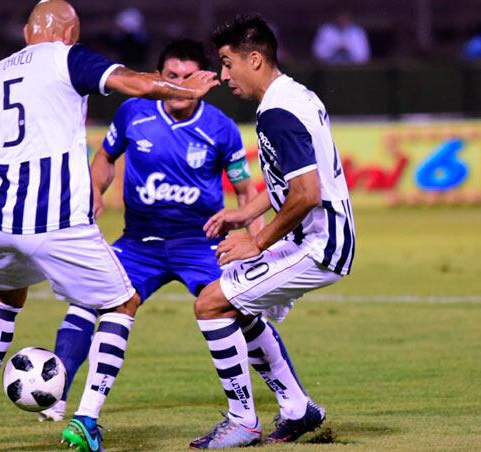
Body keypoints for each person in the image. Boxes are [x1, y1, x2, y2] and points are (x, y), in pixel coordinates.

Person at [0, 1, 218, 451]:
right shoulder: (67, 58)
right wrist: (183, 89)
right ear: (71, 32)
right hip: (54, 220)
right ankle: (86, 419)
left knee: (7, 297)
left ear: (26, 32)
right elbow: (130, 83)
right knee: (122, 302)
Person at [39, 39, 317, 434]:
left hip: (200, 242)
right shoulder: (133, 112)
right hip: (139, 242)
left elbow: (243, 191)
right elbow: (104, 158)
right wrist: (95, 192)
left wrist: (258, 247)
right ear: (159, 77)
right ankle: (55, 388)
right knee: (88, 297)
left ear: (204, 79)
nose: (180, 85)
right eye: (171, 77)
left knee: (241, 306)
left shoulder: (220, 127)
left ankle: (295, 401)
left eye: (189, 77)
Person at [188, 14, 356, 448]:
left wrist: (256, 240)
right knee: (236, 307)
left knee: (210, 305)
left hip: (321, 244)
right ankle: (299, 409)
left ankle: (243, 421)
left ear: (255, 59)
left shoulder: (278, 112)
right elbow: (290, 181)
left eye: (227, 64)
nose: (223, 76)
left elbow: (307, 193)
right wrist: (246, 213)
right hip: (317, 238)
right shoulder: (294, 95)